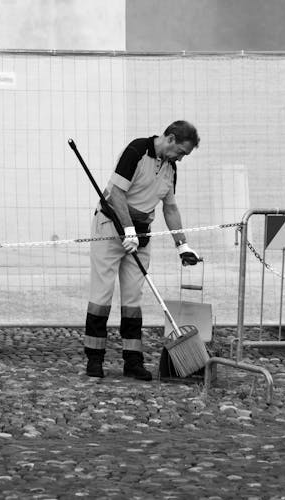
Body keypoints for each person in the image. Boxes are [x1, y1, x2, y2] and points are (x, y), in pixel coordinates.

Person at [83, 120, 201, 380]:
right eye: (181, 152)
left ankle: (133, 362)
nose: (180, 159)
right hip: (110, 228)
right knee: (102, 295)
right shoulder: (136, 151)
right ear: (170, 138)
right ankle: (94, 359)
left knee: (133, 300)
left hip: (142, 234)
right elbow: (116, 194)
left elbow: (169, 208)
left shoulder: (170, 169)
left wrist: (182, 245)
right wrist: (127, 229)